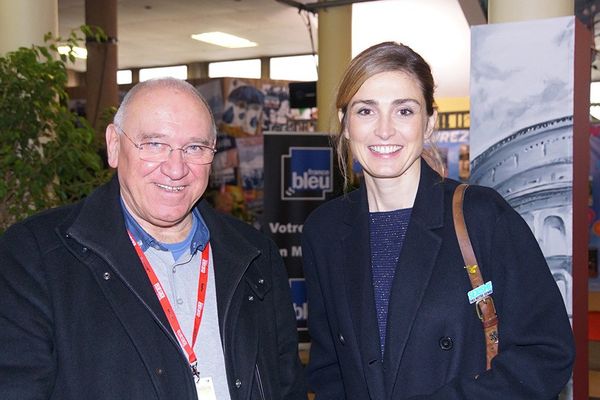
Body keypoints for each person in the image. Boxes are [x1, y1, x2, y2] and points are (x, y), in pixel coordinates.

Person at [0, 77, 306, 400]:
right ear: (114, 146)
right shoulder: (35, 258)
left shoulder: (255, 256)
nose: (176, 168)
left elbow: (287, 388)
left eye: (195, 148)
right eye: (154, 144)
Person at [301, 42, 574, 399]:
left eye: (404, 111)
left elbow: (546, 352)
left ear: (429, 122)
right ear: (345, 124)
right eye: (366, 111)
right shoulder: (325, 231)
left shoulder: (481, 215)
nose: (384, 130)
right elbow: (329, 369)